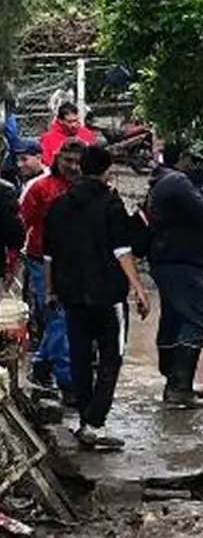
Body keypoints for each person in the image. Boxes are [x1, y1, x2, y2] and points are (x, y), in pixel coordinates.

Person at [44, 146, 151, 451]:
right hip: (107, 295)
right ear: (107, 171)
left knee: (80, 356)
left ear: (81, 168)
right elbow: (122, 250)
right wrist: (138, 288)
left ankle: (85, 421)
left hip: (72, 293)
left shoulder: (59, 205)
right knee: (111, 358)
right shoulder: (111, 203)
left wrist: (50, 289)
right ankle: (94, 422)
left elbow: (49, 254)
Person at [145, 142, 203, 408]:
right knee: (197, 320)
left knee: (174, 319)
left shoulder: (164, 180)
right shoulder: (177, 181)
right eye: (191, 158)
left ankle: (174, 383)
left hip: (170, 259)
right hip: (181, 261)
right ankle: (179, 385)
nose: (194, 164)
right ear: (182, 157)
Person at [21, 139, 84, 399]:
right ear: (57, 159)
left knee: (64, 318)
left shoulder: (86, 188)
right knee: (58, 317)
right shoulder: (40, 187)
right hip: (40, 260)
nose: (73, 167)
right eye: (68, 161)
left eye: (78, 162)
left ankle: (41, 364)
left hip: (77, 262)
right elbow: (23, 223)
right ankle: (67, 381)